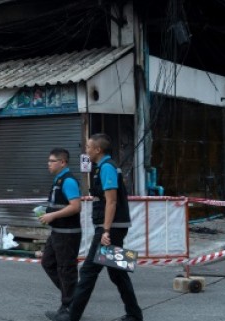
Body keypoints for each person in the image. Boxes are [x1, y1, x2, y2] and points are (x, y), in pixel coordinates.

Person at [48, 134, 142, 321]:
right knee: (118, 274)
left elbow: (112, 201)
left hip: (111, 228)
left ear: (98, 150)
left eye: (89, 147)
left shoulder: (107, 167)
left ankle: (71, 315)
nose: (86, 150)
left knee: (88, 272)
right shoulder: (104, 167)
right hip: (114, 226)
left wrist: (105, 230)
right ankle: (134, 314)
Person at [39, 147, 82, 320]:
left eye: (51, 161)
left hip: (68, 234)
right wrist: (47, 213)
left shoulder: (68, 181)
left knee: (67, 270)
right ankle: (73, 299)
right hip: (57, 232)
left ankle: (70, 306)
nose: (48, 164)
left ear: (62, 162)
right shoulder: (58, 180)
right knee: (48, 263)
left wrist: (52, 215)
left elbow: (75, 206)